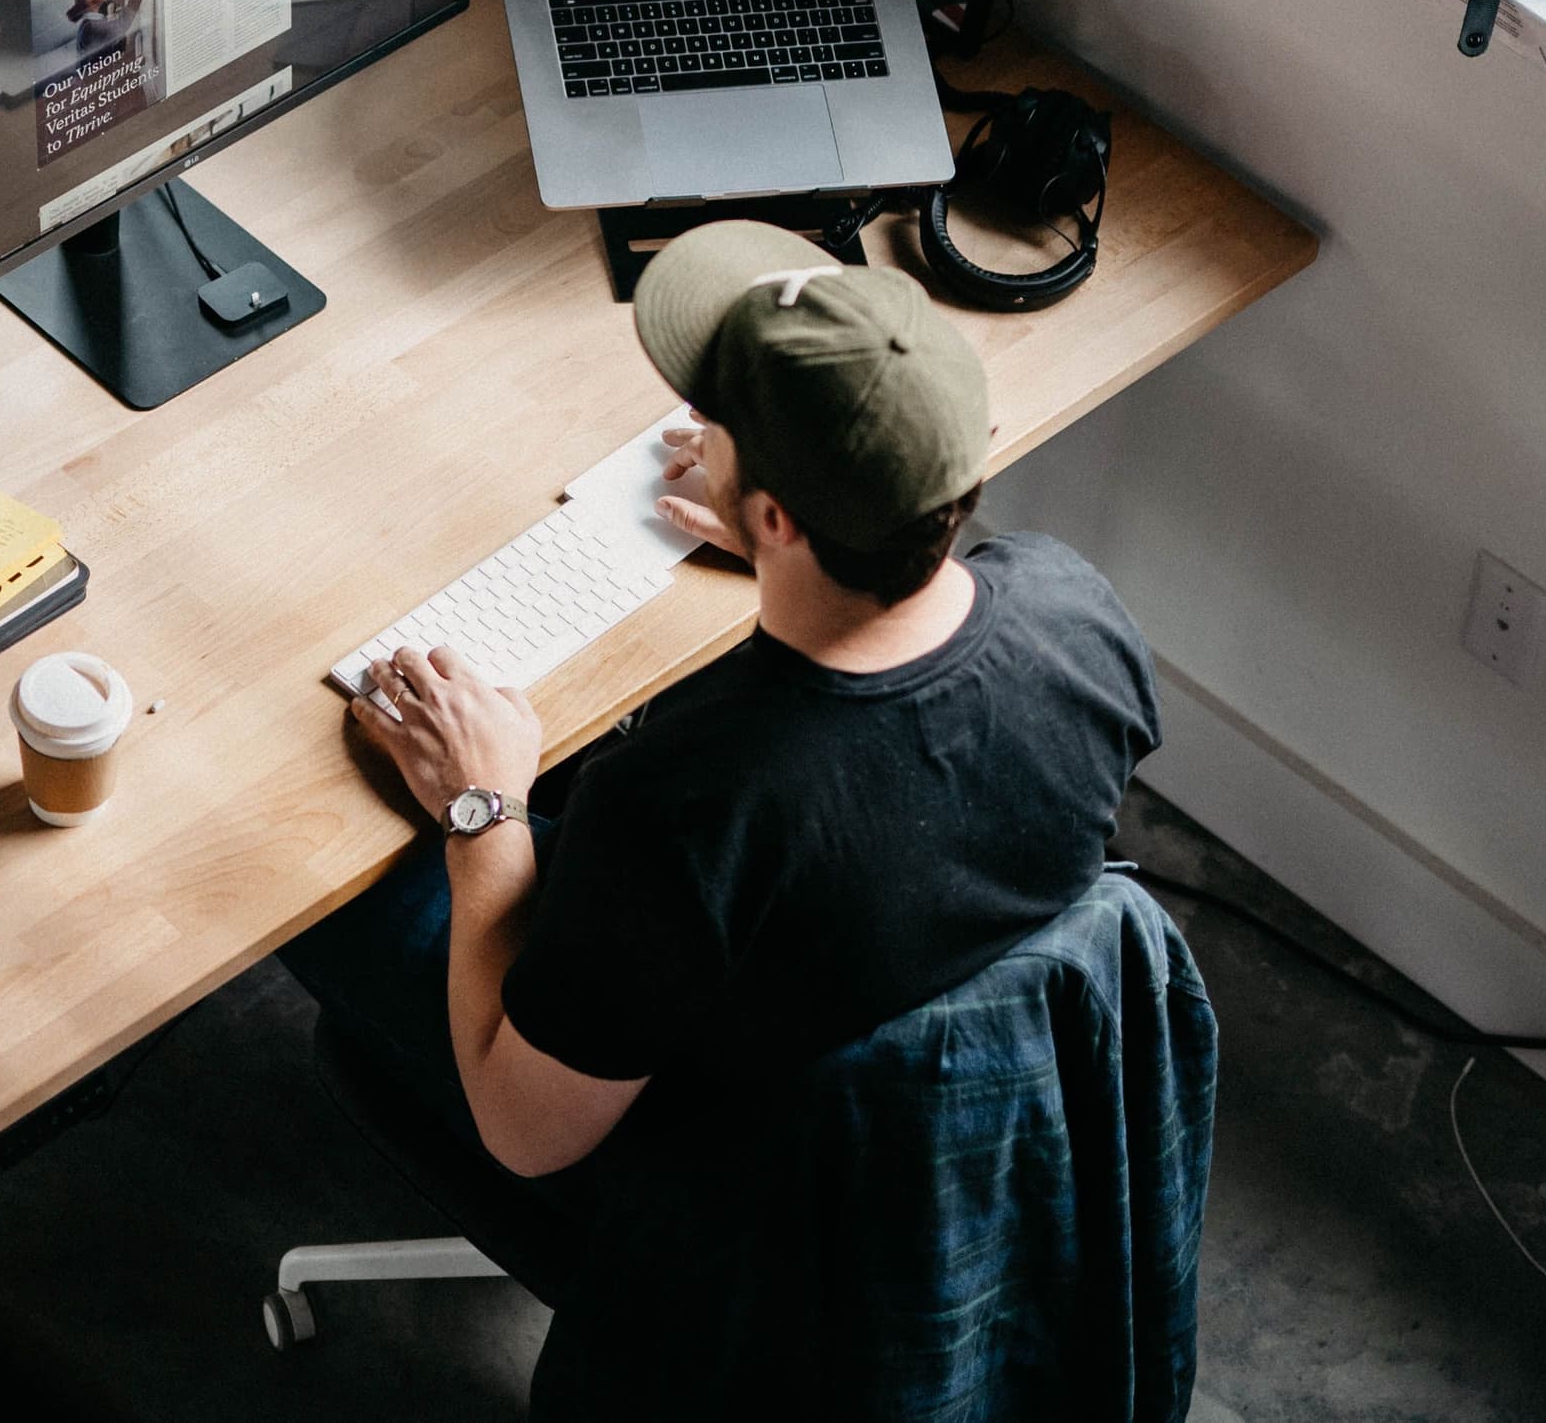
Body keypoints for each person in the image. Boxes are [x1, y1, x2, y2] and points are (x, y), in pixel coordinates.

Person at [284, 216, 1161, 1223]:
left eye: (716, 421)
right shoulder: (1075, 606)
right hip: (883, 1040)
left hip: (709, 1183)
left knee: (320, 877)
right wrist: (787, 553)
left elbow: (526, 1134)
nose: (695, 428)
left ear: (778, 513)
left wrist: (482, 807)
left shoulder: (686, 808)